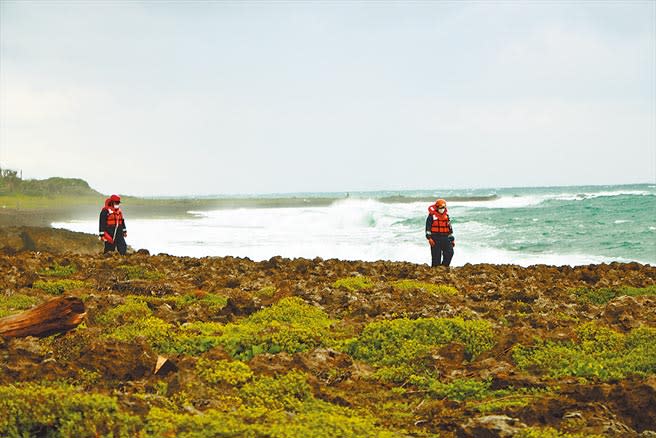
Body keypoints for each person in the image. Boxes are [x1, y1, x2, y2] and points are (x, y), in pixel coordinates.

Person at [425, 198, 455, 267]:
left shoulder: (446, 217)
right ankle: (435, 270)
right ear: (437, 207)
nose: (442, 209)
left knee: (450, 252)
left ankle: (444, 267)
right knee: (436, 258)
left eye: (443, 207)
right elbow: (428, 229)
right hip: (435, 239)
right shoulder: (431, 216)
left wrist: (452, 240)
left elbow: (449, 229)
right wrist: (429, 238)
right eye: (441, 207)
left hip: (445, 238)